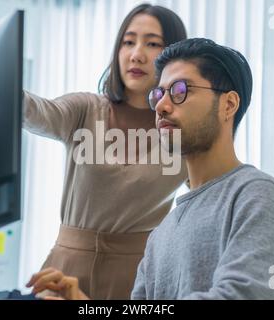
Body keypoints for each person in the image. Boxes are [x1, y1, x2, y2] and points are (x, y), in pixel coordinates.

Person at [26, 38, 274, 300]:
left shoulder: (255, 194)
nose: (160, 105)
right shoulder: (161, 234)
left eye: (180, 91)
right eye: (159, 94)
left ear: (228, 104)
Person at [23, 4, 188, 299]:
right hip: (64, 270)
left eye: (152, 43)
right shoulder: (86, 110)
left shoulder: (180, 130)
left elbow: (212, 193)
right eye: (128, 41)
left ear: (173, 56)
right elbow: (37, 112)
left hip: (136, 279)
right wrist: (3, 87)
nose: (136, 54)